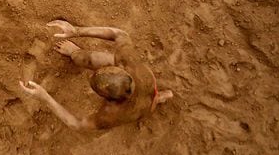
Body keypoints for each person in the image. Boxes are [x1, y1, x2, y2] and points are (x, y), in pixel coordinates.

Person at [19, 20, 173, 131]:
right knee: (151, 100)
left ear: (110, 100)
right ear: (121, 69)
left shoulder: (110, 115)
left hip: (140, 110)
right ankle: (159, 97)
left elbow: (76, 124)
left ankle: (157, 98)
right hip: (147, 85)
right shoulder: (128, 61)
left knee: (147, 105)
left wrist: (44, 96)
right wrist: (76, 31)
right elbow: (119, 34)